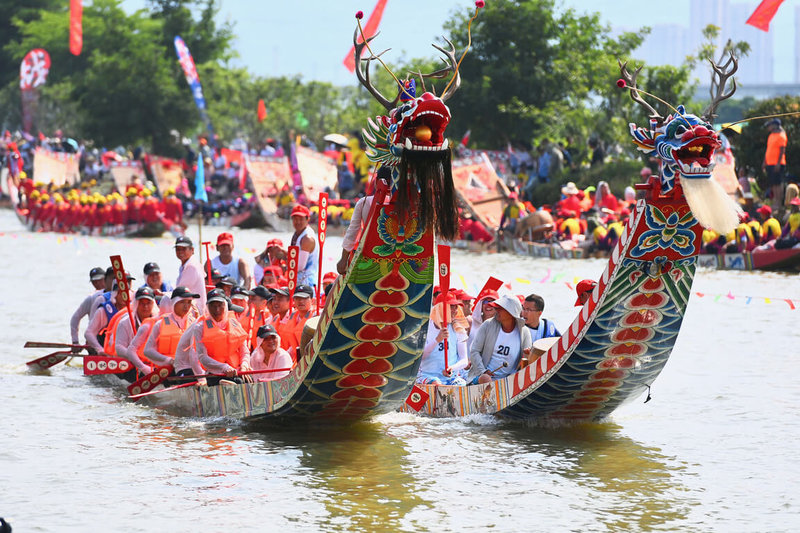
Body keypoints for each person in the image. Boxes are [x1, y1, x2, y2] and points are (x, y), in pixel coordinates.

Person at [174, 288, 252, 384]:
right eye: (213, 306)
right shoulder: (199, 327)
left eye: (220, 305)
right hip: (201, 370)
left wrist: (244, 365)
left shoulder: (235, 324)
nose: (217, 310)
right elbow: (197, 356)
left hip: (232, 370)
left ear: (226, 306)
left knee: (247, 379)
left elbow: (244, 351)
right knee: (236, 382)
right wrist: (202, 379)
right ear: (207, 307)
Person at [467, 295, 532, 383]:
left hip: (509, 381)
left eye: (500, 308)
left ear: (511, 313)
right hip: (481, 377)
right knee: (486, 379)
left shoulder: (524, 332)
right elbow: (474, 351)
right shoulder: (487, 325)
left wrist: (528, 354)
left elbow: (527, 360)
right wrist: (483, 372)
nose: (496, 310)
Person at [141, 286, 200, 369]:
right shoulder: (160, 324)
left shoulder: (195, 323)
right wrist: (169, 360)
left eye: (189, 302)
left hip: (191, 370)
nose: (186, 306)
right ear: (174, 303)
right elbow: (147, 351)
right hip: (166, 371)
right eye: (182, 302)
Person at [416, 292, 469, 385]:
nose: (455, 310)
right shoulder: (424, 327)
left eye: (456, 307)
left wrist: (452, 368)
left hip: (450, 377)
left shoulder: (458, 328)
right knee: (437, 385)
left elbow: (464, 360)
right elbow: (420, 356)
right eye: (451, 307)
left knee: (460, 385)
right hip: (427, 375)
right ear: (440, 308)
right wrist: (437, 340)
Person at [114, 287, 160, 378]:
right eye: (142, 303)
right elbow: (119, 348)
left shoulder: (159, 321)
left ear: (153, 304)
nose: (145, 307)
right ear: (136, 304)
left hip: (152, 362)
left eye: (148, 303)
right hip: (130, 362)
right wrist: (135, 358)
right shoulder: (125, 322)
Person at [84, 275, 135, 353]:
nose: (123, 296)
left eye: (125, 293)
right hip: (107, 351)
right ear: (115, 295)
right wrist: (99, 349)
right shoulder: (104, 311)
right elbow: (89, 333)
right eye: (120, 293)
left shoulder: (136, 308)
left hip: (130, 351)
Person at [163, 235, 206, 314]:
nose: (180, 252)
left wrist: (163, 294)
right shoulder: (188, 264)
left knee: (165, 300)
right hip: (189, 304)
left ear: (192, 250)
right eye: (178, 249)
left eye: (183, 249)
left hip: (194, 310)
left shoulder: (191, 266)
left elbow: (180, 292)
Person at [69, 266, 107, 347]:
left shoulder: (118, 295)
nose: (97, 284)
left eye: (100, 280)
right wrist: (75, 341)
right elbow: (75, 318)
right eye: (94, 281)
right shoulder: (91, 298)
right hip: (95, 340)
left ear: (106, 279)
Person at [289, 204, 318, 287]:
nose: (298, 222)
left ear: (307, 219)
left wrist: (284, 262)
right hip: (298, 281)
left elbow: (300, 266)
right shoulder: (298, 233)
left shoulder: (307, 238)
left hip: (306, 283)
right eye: (295, 219)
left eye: (301, 219)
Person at [763, 118, 788, 209]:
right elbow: (768, 149)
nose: (769, 127)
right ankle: (775, 201)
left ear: (775, 125)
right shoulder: (771, 135)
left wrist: (778, 163)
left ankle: (779, 202)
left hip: (778, 163)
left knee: (778, 183)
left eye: (770, 125)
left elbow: (782, 150)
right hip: (769, 163)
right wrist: (764, 162)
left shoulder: (781, 135)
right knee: (773, 183)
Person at [285, 284, 316, 357]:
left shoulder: (317, 315)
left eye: (304, 298)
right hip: (298, 358)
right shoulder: (293, 316)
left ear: (312, 300)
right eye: (297, 298)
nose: (301, 301)